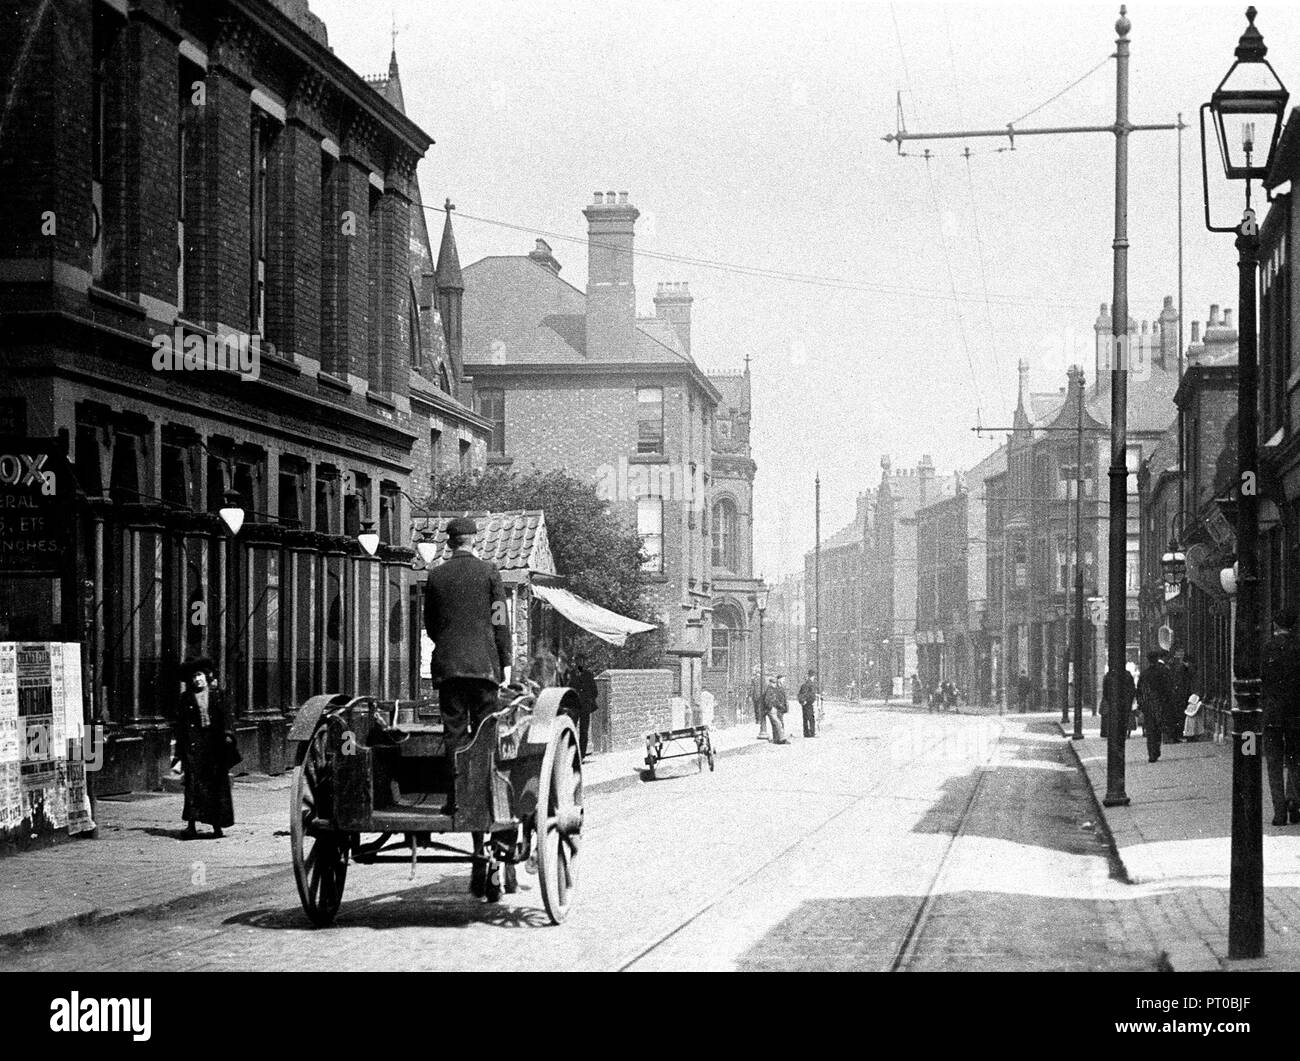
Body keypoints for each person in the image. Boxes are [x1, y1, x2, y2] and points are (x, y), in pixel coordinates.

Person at [423, 516, 512, 895]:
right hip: (484, 668)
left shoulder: (437, 577)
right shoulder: (490, 572)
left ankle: (458, 797)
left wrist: (449, 644)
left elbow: (430, 624)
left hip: (449, 667)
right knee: (487, 737)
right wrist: (504, 661)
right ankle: (489, 798)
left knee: (455, 734)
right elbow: (500, 620)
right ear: (474, 540)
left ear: (450, 542)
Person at [173, 658, 237, 840]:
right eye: (194, 676)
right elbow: (181, 727)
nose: (197, 680)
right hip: (193, 748)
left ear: (207, 676)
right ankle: (191, 826)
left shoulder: (218, 696)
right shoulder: (185, 698)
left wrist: (228, 735)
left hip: (213, 747)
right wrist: (179, 754)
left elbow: (226, 718)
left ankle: (217, 826)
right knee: (193, 787)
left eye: (200, 675)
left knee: (216, 787)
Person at [1262, 607, 1300, 826]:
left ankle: (1279, 812)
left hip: (1273, 715)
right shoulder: (1297, 648)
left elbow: (1263, 679)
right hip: (1295, 714)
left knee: (1274, 763)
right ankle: (1294, 803)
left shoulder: (1269, 648)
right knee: (1295, 760)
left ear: (1275, 625)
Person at [1137, 651, 1173, 764]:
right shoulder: (1163, 671)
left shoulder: (1144, 674)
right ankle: (1156, 750)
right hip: (1160, 704)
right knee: (1158, 728)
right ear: (1157, 658)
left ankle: (1152, 753)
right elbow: (1168, 688)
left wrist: (1141, 705)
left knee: (1150, 730)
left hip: (1148, 705)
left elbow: (1139, 691)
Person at [572, 656, 599, 760]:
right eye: (578, 661)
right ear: (575, 663)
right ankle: (572, 755)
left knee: (584, 731)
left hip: (584, 707)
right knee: (571, 729)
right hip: (574, 707)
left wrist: (588, 700)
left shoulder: (588, 675)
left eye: (581, 662)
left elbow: (595, 692)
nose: (580, 663)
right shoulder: (571, 675)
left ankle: (581, 756)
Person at [1099, 665, 1136, 740]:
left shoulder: (1109, 675)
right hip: (1125, 701)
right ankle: (1124, 733)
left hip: (1113, 701)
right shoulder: (1128, 675)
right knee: (1125, 717)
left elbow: (1105, 691)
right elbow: (1132, 689)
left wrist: (1108, 699)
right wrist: (1130, 700)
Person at [763, 676, 790, 745]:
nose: (774, 684)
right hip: (771, 710)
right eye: (773, 683)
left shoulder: (773, 689)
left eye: (775, 683)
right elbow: (767, 701)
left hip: (775, 709)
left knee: (777, 724)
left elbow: (776, 700)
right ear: (771, 683)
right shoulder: (769, 690)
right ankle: (781, 738)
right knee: (778, 723)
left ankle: (777, 739)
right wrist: (771, 707)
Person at [797, 670, 818, 738]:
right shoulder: (808, 684)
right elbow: (805, 693)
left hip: (808, 703)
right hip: (808, 703)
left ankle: (808, 733)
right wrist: (804, 701)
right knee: (810, 718)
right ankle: (810, 733)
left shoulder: (809, 684)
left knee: (807, 718)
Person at [750, 665, 768, 740]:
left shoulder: (759, 679)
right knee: (758, 708)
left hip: (758, 695)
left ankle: (759, 720)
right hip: (758, 695)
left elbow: (763, 687)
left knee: (758, 708)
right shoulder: (757, 679)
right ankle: (759, 720)